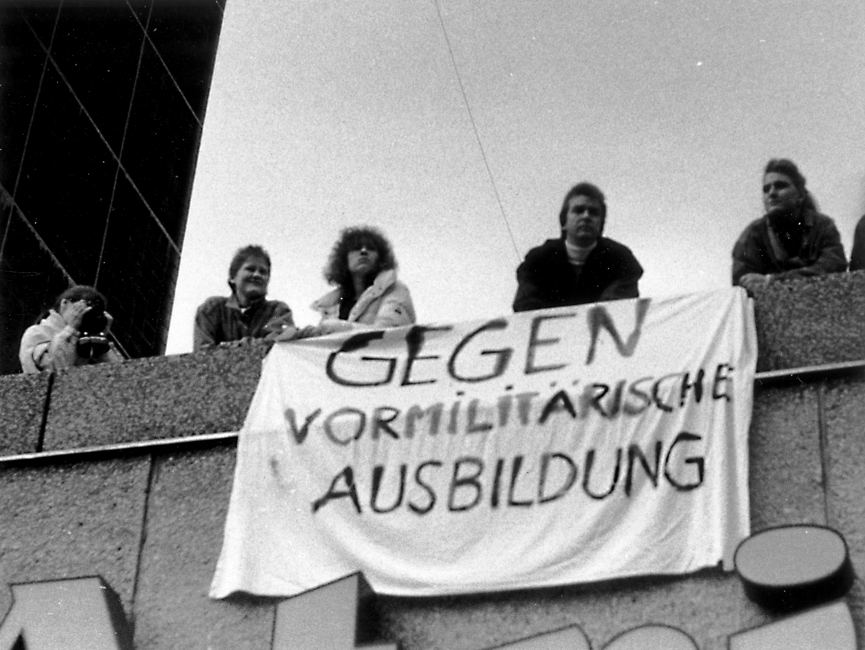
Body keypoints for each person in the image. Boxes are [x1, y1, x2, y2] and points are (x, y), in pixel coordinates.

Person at [513, 182, 643, 312]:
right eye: (579, 210)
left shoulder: (621, 259)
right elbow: (526, 307)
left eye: (594, 212)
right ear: (564, 221)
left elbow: (616, 309)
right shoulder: (538, 260)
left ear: (601, 225)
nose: (586, 216)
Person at [732, 159, 846, 290]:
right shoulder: (754, 234)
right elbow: (743, 282)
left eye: (780, 186)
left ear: (800, 195)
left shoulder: (822, 226)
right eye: (766, 189)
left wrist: (773, 281)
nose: (772, 193)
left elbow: (834, 266)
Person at [303, 226, 415, 336]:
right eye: (356, 248)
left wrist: (341, 328)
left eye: (371, 248)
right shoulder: (333, 304)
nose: (364, 251)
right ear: (344, 260)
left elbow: (390, 336)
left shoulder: (394, 290)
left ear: (380, 259)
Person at [193, 245, 294, 350]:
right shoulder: (212, 309)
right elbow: (203, 354)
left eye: (263, 272)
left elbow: (277, 346)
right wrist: (258, 344)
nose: (257, 275)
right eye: (250, 269)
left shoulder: (278, 311)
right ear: (233, 277)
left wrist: (224, 348)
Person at [19, 285, 123, 373]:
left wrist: (100, 339)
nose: (85, 316)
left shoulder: (88, 336)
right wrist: (71, 330)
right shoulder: (37, 332)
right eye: (83, 309)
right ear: (64, 303)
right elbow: (55, 369)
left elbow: (117, 377)